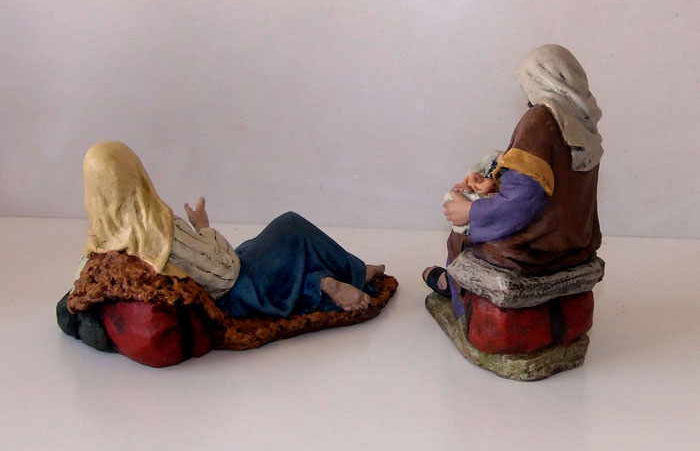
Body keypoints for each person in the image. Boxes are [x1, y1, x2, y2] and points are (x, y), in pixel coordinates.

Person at [80, 140, 385, 317]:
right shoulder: (158, 230)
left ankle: (324, 281)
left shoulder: (104, 235)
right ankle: (353, 273)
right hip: (238, 292)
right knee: (291, 226)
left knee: (255, 245)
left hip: (223, 283)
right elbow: (224, 270)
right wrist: (203, 228)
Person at [424, 44, 603, 296]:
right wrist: (497, 178)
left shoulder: (540, 119)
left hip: (536, 247)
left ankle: (457, 293)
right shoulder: (583, 122)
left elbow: (523, 199)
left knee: (460, 237)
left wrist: (470, 212)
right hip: (575, 240)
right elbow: (555, 179)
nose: (526, 97)